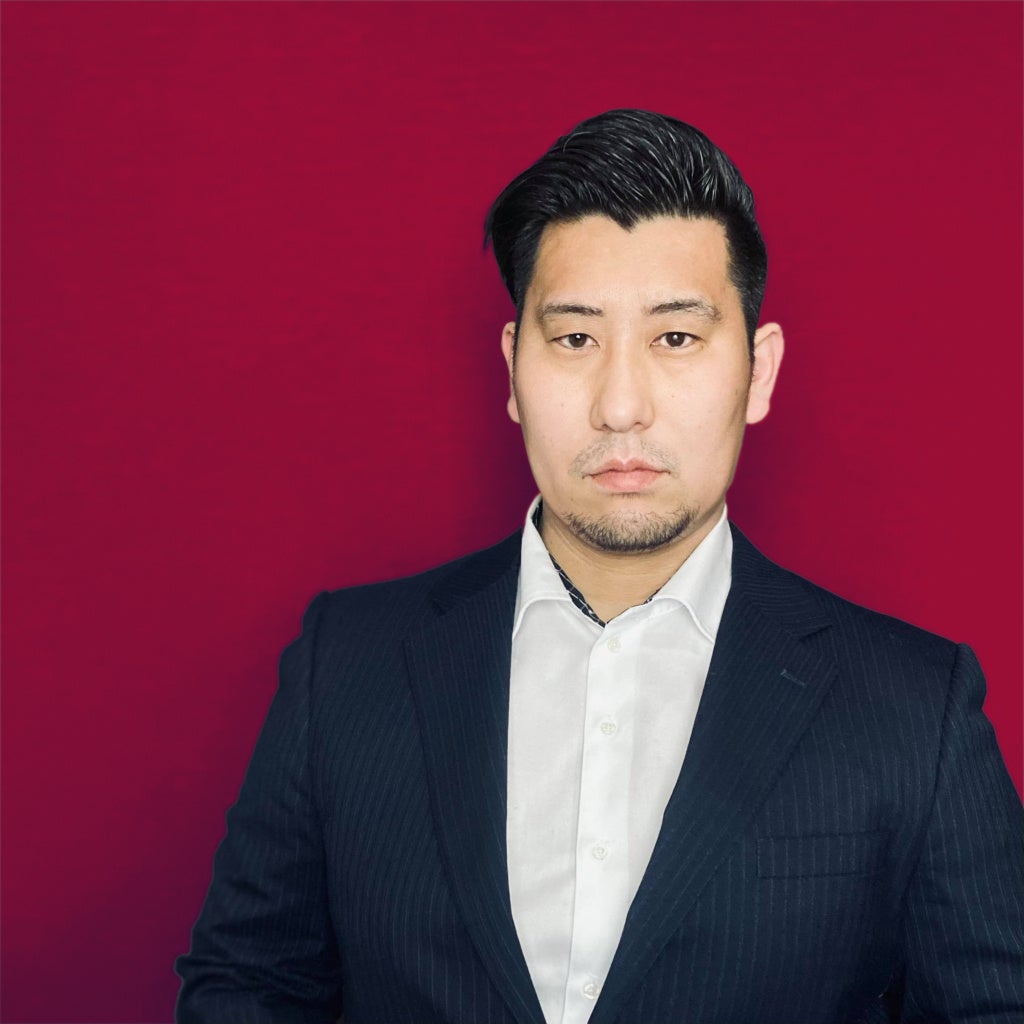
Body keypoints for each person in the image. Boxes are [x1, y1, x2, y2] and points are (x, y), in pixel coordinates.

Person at [175, 109, 1023, 1024]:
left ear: (759, 371)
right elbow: (249, 987)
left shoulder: (915, 707)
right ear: (513, 367)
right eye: (576, 339)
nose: (621, 406)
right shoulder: (345, 663)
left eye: (676, 338)